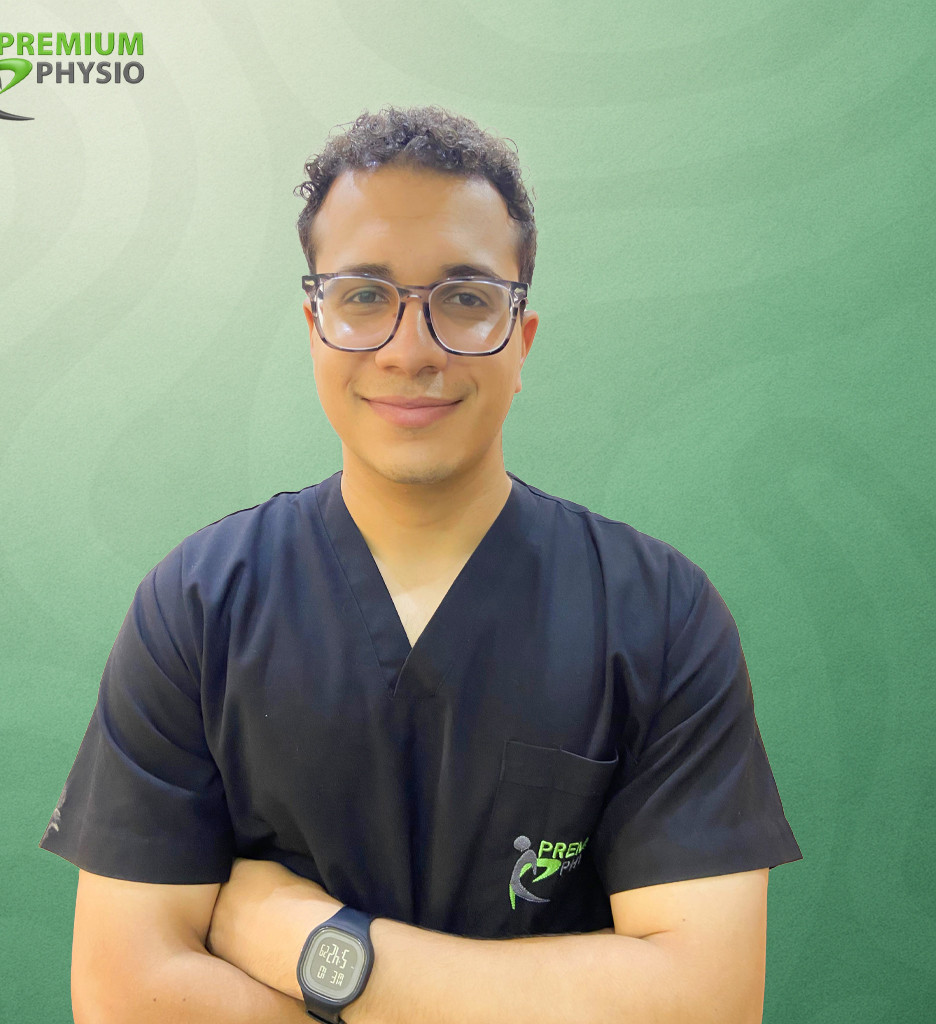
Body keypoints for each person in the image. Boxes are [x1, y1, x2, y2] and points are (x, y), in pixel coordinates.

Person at [39, 105, 802, 1024]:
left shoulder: (659, 617)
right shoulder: (198, 608)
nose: (411, 351)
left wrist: (315, 946)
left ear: (521, 339)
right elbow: (124, 997)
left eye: (465, 298)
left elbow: (707, 1004)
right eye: (364, 296)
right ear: (315, 325)